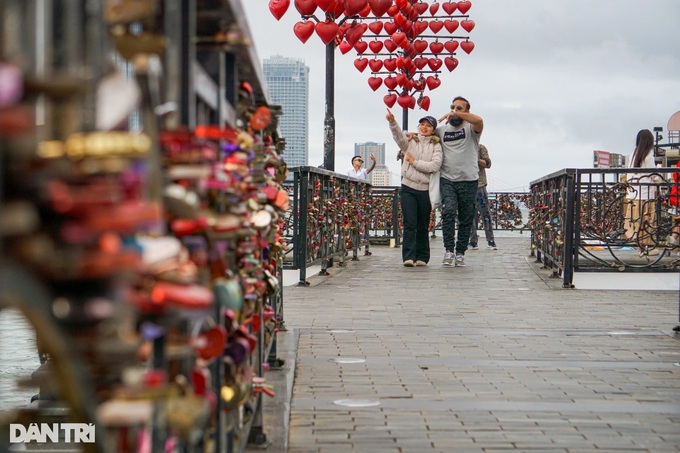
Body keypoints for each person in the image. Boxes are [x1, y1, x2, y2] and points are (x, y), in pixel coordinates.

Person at [386, 109, 442, 267]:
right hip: (408, 187)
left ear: (433, 129)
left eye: (428, 126)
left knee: (423, 224)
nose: (424, 127)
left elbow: (435, 165)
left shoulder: (436, 146)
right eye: (422, 124)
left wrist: (414, 162)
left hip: (425, 189)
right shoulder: (410, 142)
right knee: (410, 222)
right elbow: (398, 137)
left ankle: (423, 257)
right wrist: (392, 122)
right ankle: (409, 257)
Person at [436, 96, 484, 267]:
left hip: (469, 180)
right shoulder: (442, 131)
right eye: (453, 107)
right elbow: (424, 134)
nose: (454, 110)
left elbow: (479, 120)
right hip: (447, 179)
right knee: (448, 212)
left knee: (466, 218)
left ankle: (460, 252)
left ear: (466, 111)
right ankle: (449, 250)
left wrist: (457, 113)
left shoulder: (471, 129)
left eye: (459, 108)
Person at [623, 129, 659, 256]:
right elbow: (654, 176)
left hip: (633, 194)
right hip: (645, 194)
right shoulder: (648, 156)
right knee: (647, 222)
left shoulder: (633, 153)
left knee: (636, 222)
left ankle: (639, 247)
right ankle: (647, 248)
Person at [468, 144, 497, 250]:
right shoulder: (460, 146)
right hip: (465, 185)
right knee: (469, 215)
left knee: (486, 214)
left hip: (479, 185)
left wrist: (474, 158)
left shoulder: (480, 148)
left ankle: (491, 241)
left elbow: (488, 164)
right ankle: (472, 241)